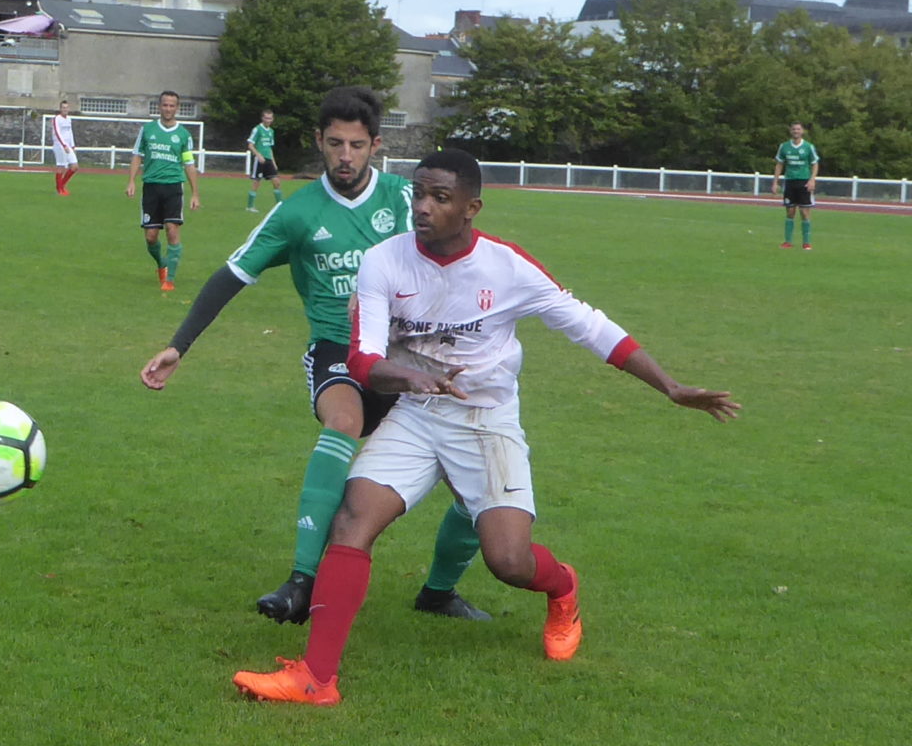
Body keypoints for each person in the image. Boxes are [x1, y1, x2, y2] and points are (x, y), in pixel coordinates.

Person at [232, 148, 741, 706]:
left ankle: (563, 587)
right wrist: (404, 377)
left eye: (439, 197)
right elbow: (363, 358)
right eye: (419, 194)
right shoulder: (383, 260)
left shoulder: (507, 266)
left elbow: (591, 328)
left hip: (485, 419)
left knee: (509, 561)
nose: (422, 207)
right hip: (417, 414)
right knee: (352, 519)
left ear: (471, 207)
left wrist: (669, 386)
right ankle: (316, 678)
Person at [140, 87, 488, 628]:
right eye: (334, 144)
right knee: (343, 422)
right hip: (339, 351)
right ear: (318, 143)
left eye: (356, 144)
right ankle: (301, 581)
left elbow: (467, 256)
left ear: (375, 145)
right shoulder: (297, 213)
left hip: (411, 355)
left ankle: (438, 592)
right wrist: (177, 346)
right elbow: (232, 275)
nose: (345, 156)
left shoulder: (406, 199)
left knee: (475, 474)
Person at [126, 91, 201, 292]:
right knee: (151, 236)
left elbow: (189, 164)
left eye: (172, 105)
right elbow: (136, 155)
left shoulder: (183, 135)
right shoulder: (148, 130)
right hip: (151, 186)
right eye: (165, 105)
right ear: (159, 106)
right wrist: (131, 181)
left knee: (172, 230)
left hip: (173, 187)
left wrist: (195, 193)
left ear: (177, 108)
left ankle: (170, 280)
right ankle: (161, 263)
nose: (168, 109)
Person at [771, 121, 820, 250]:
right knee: (790, 212)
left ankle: (806, 242)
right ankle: (788, 241)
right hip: (790, 181)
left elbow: (815, 163)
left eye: (798, 129)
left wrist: (812, 180)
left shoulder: (808, 147)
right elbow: (779, 164)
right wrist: (775, 182)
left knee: (804, 212)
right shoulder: (784, 146)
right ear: (790, 131)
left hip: (804, 182)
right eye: (793, 129)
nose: (796, 131)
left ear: (802, 131)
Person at [245, 109, 282, 212]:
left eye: (270, 118)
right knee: (257, 183)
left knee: (276, 182)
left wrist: (274, 162)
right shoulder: (257, 129)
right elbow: (250, 145)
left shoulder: (271, 132)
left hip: (268, 159)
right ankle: (250, 206)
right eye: (266, 118)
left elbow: (269, 148)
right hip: (260, 159)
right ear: (262, 118)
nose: (268, 120)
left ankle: (279, 205)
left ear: (272, 119)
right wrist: (258, 155)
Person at [51, 100, 79, 196]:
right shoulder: (56, 119)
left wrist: (73, 146)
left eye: (66, 107)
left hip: (68, 146)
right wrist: (63, 145)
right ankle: (59, 190)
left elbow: (70, 133)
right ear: (60, 109)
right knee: (61, 166)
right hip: (59, 145)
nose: (65, 109)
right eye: (63, 107)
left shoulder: (69, 119)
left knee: (75, 166)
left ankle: (61, 185)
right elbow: (58, 132)